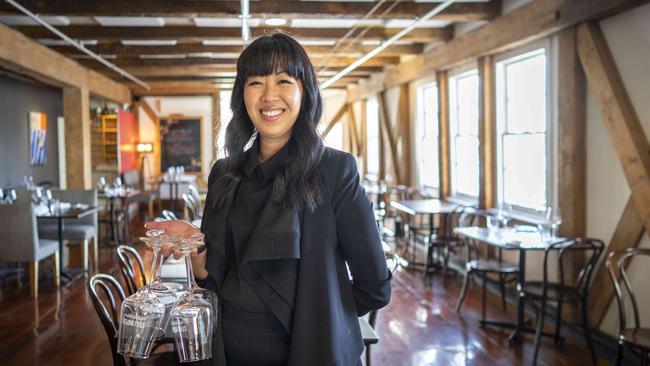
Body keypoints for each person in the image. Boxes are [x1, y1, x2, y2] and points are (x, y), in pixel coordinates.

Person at [146, 31, 391, 366]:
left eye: (284, 81)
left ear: (305, 91)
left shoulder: (335, 171)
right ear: (242, 95)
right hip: (226, 354)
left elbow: (374, 286)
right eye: (256, 82)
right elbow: (211, 277)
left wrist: (324, 315)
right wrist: (193, 246)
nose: (269, 96)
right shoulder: (225, 173)